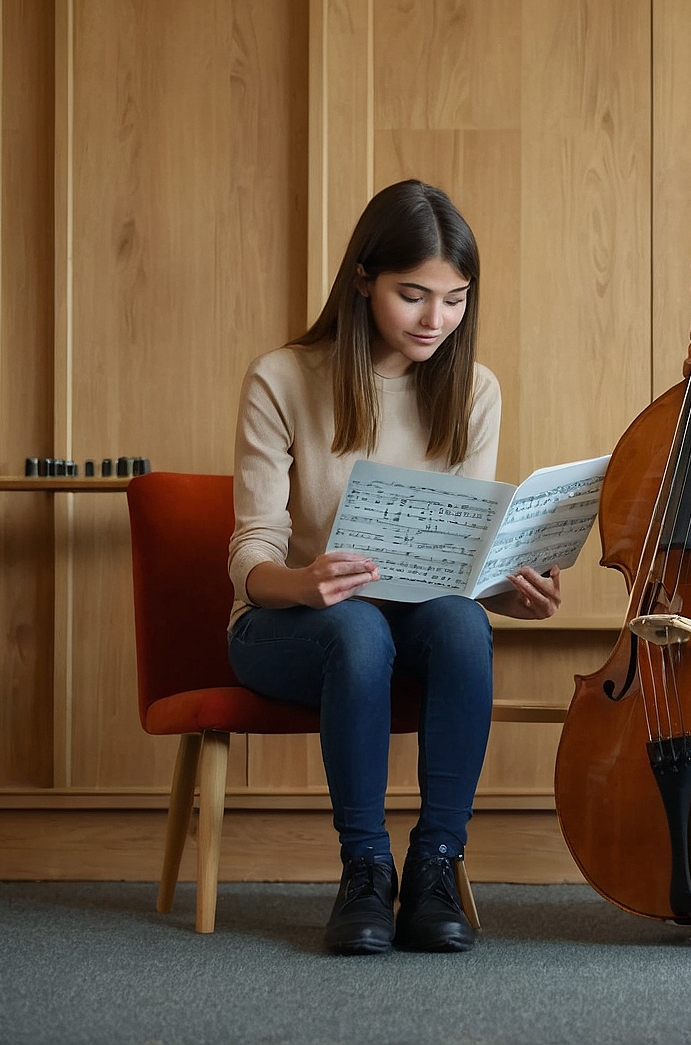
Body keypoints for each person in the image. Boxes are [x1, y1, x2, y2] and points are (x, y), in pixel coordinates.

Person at [226, 179, 562, 956]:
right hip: (288, 626)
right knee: (357, 630)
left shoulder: (473, 390)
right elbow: (250, 554)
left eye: (454, 300)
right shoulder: (281, 378)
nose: (436, 320)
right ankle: (365, 870)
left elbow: (455, 561)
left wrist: (510, 591)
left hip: (407, 617)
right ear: (362, 280)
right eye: (413, 296)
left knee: (460, 619)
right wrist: (305, 585)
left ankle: (437, 864)